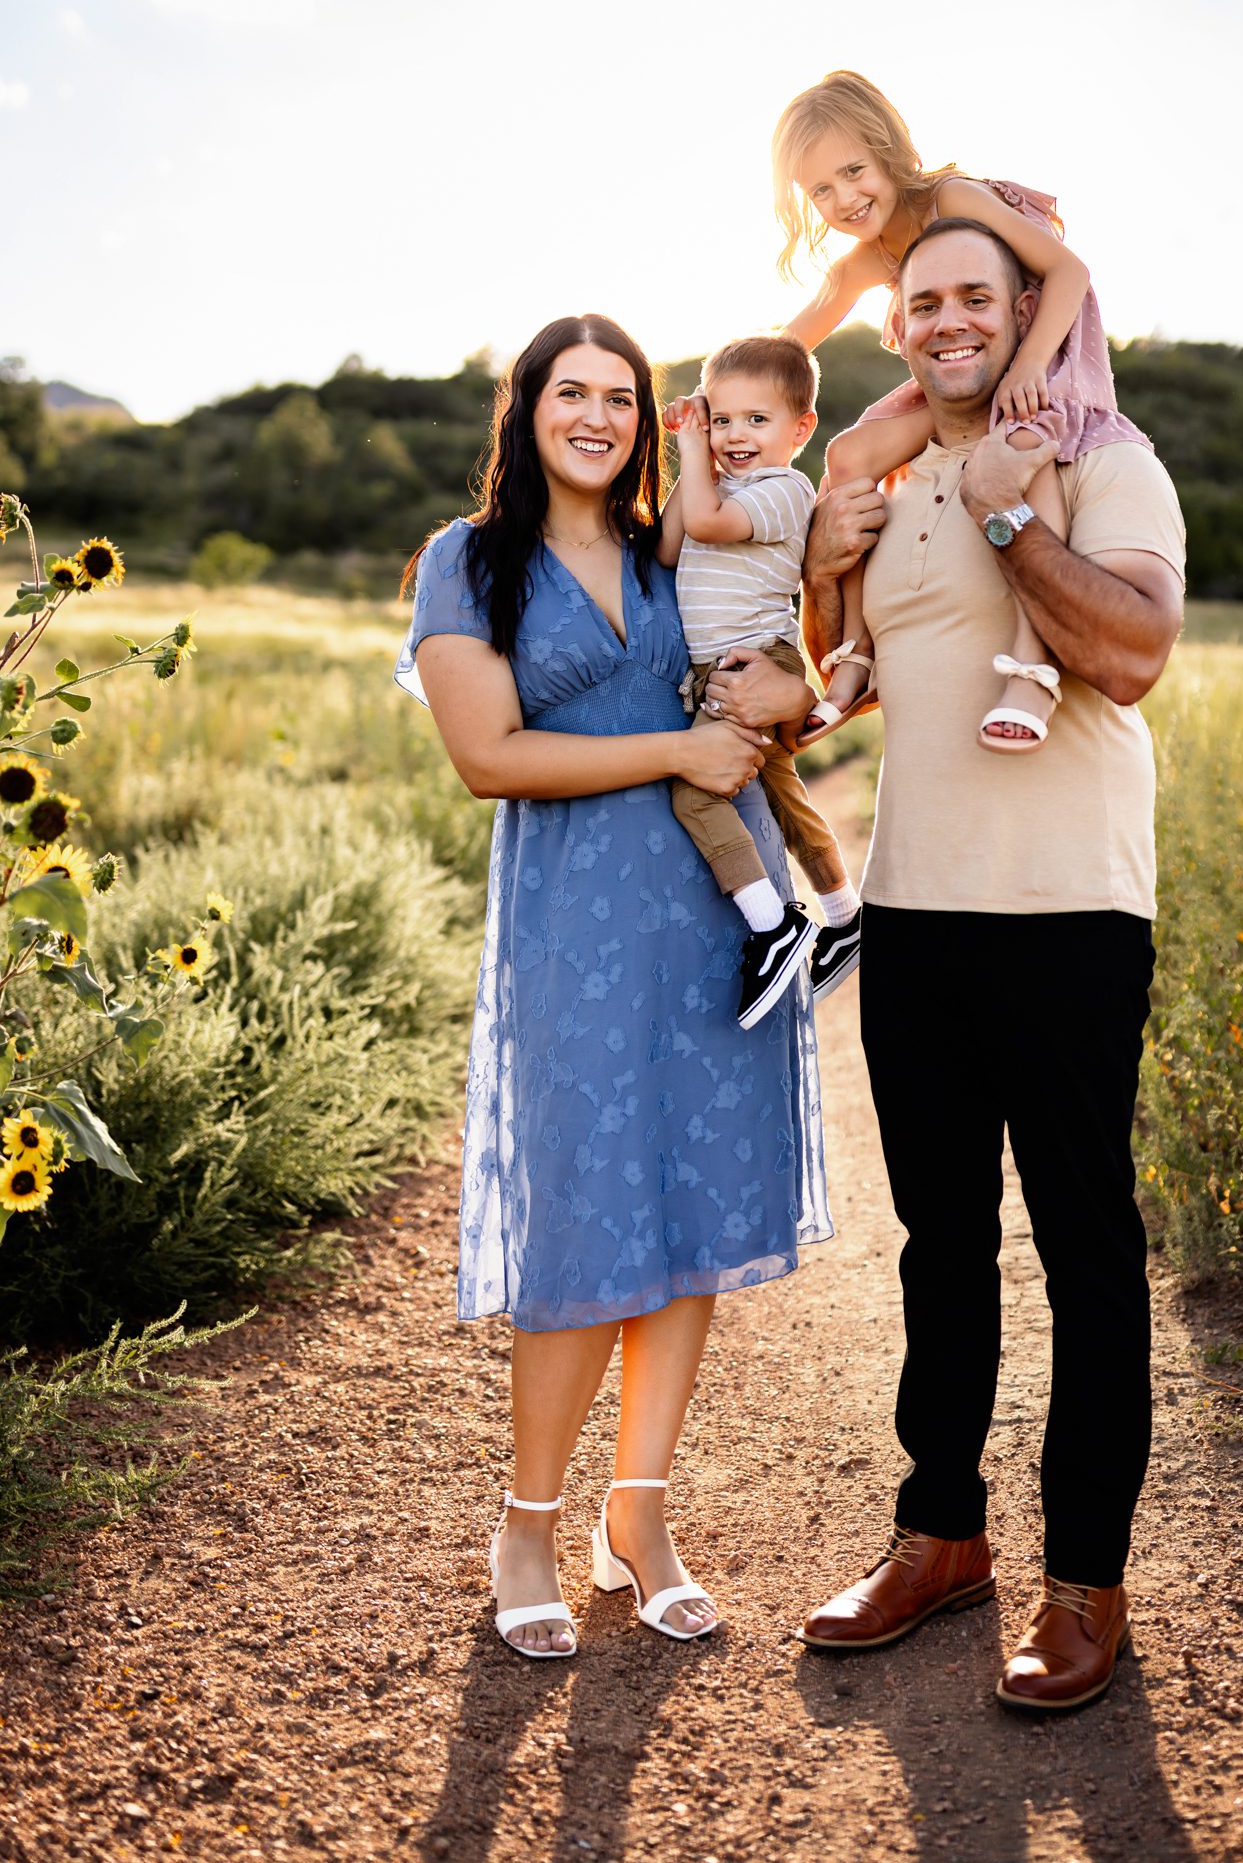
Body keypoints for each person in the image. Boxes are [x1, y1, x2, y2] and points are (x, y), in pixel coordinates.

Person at [792, 219, 1185, 1712]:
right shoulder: (885, 493)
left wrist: (1018, 517)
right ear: (900, 328)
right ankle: (940, 1532)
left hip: (1075, 913)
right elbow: (836, 695)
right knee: (939, 1243)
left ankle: (1086, 1581)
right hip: (918, 915)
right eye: (925, 300)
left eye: (979, 296)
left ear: (1024, 311)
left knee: (1087, 1254)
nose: (951, 319)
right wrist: (826, 576)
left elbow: (1138, 650)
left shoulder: (1103, 454)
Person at [396, 314, 830, 1662]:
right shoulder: (468, 561)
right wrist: (679, 748)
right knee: (586, 1223)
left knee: (691, 1211)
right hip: (575, 922)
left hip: (714, 913)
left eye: (622, 397)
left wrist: (794, 698)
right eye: (571, 391)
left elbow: (776, 646)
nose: (597, 415)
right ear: (526, 407)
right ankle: (527, 1520)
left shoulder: (674, 543)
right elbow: (489, 754)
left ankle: (635, 1517)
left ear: (654, 418)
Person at [771, 68, 1152, 752]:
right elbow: (792, 339)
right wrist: (724, 391)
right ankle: (856, 655)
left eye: (854, 171)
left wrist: (1032, 361)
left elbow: (1070, 272)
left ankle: (1032, 666)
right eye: (820, 190)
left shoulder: (954, 197)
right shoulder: (868, 257)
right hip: (961, 379)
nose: (844, 198)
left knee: (1020, 445)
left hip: (1037, 355)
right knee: (847, 455)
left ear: (889, 148)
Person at [659, 333, 863, 1028]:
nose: (733, 435)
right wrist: (692, 449)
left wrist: (694, 453)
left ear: (800, 429)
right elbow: (666, 544)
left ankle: (772, 926)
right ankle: (843, 914)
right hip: (729, 668)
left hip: (754, 665)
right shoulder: (718, 483)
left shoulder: (784, 489)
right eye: (721, 418)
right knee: (783, 795)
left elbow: (708, 525)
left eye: (757, 419)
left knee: (695, 794)